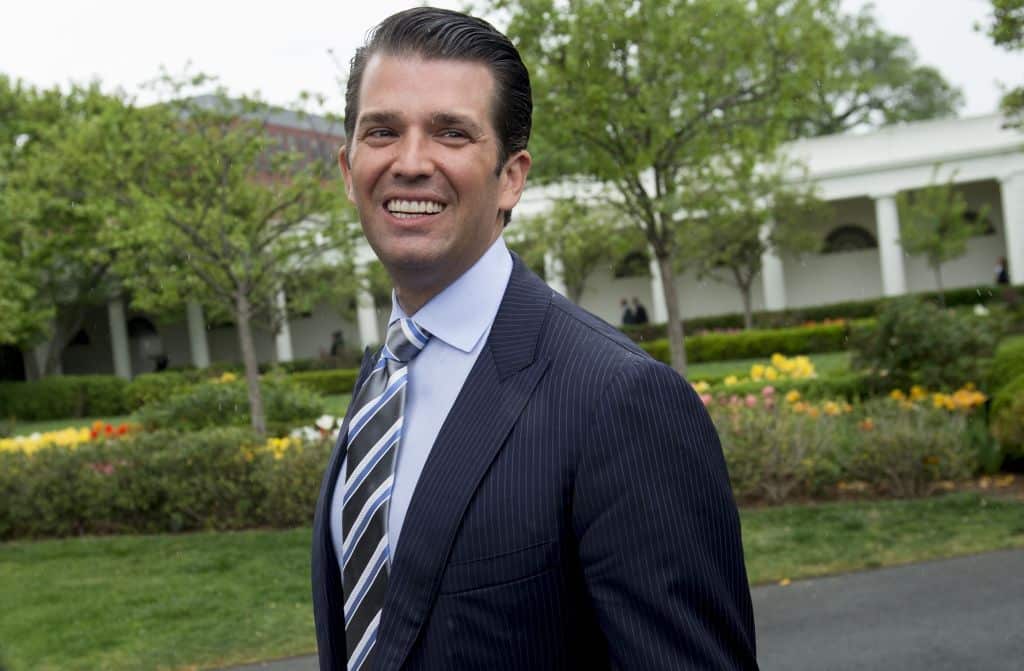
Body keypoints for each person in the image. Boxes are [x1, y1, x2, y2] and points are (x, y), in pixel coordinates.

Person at [311, 8, 756, 670]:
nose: (409, 162)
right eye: (383, 131)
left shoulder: (619, 400)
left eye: (451, 133)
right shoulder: (384, 381)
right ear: (349, 169)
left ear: (512, 177)